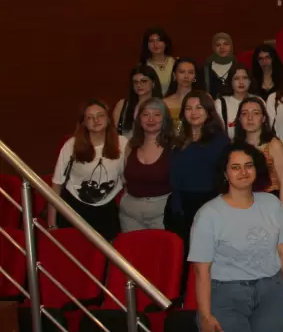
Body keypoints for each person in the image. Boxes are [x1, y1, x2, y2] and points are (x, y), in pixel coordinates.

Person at [191, 141, 283, 332]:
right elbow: (201, 270)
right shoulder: (208, 214)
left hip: (271, 294)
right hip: (226, 296)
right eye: (235, 167)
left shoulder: (272, 204)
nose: (243, 172)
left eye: (249, 165)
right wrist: (205, 314)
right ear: (225, 173)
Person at [50, 99, 127, 240]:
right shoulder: (71, 145)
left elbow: (127, 177)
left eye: (100, 115)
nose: (96, 120)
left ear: (108, 119)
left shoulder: (122, 143)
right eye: (90, 117)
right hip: (74, 209)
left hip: (106, 211)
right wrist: (51, 224)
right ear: (84, 122)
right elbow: (56, 186)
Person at [167, 92, 230, 244]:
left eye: (199, 108)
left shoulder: (220, 142)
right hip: (179, 207)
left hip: (210, 205)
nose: (193, 112)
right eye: (188, 108)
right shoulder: (178, 141)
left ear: (209, 111)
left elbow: (224, 179)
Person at [119, 98, 173, 232]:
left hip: (161, 213)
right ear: (139, 119)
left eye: (156, 114)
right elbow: (123, 177)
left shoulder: (174, 146)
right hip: (130, 214)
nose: (151, 119)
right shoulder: (130, 145)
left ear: (164, 119)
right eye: (146, 114)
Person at [234, 96, 283, 209]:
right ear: (239, 119)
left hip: (271, 202)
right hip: (244, 203)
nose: (250, 118)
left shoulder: (273, 145)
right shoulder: (235, 147)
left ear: (264, 118)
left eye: (256, 113)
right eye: (245, 114)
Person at [113, 64, 162, 142]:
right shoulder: (122, 105)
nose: (139, 85)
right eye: (135, 82)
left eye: (144, 81)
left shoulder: (162, 106)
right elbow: (115, 134)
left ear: (153, 83)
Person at [163, 58, 201, 133]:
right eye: (182, 72)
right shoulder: (164, 103)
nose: (186, 76)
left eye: (190, 72)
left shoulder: (204, 98)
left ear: (195, 76)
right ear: (174, 75)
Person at [139, 27, 177, 95]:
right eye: (151, 41)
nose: (155, 44)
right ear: (146, 45)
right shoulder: (143, 66)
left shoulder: (176, 63)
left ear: (166, 43)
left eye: (159, 40)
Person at [218, 65, 253, 137]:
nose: (241, 82)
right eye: (236, 78)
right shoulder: (221, 103)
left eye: (245, 78)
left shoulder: (258, 100)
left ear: (250, 81)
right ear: (230, 82)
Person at [201, 32, 238, 99]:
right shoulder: (206, 68)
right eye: (218, 45)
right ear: (213, 47)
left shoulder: (238, 66)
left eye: (226, 44)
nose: (222, 47)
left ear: (231, 46)